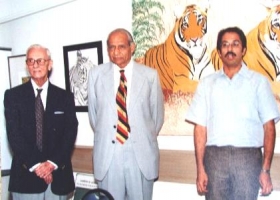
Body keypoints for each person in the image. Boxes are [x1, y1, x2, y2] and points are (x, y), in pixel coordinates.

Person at [185, 27, 280, 200]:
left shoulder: (259, 82)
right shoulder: (207, 84)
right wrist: (200, 168)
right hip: (214, 158)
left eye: (235, 44)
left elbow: (269, 128)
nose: (230, 49)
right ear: (219, 52)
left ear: (243, 50)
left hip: (248, 159)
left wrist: (265, 170)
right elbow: (200, 129)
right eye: (225, 45)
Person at [88, 28, 164, 200]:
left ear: (132, 47)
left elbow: (157, 118)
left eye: (121, 47)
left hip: (140, 155)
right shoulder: (96, 75)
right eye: (111, 47)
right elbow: (94, 117)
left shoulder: (150, 76)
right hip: (108, 155)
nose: (116, 52)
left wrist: (139, 135)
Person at [4, 44, 78, 200]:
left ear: (49, 64)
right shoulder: (13, 96)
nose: (35, 65)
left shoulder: (64, 97)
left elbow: (70, 134)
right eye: (31, 61)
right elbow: (14, 136)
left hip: (58, 178)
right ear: (27, 65)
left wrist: (51, 164)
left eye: (40, 61)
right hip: (25, 178)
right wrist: (38, 166)